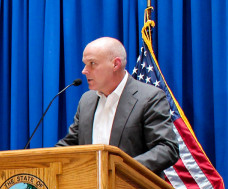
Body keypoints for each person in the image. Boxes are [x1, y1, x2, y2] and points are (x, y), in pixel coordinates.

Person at [56, 37, 179, 174]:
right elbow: (71, 144)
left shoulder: (149, 98)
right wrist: (41, 159)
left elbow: (167, 148)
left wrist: (121, 169)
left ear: (116, 64)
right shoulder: (87, 100)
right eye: (85, 64)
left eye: (92, 63)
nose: (84, 71)